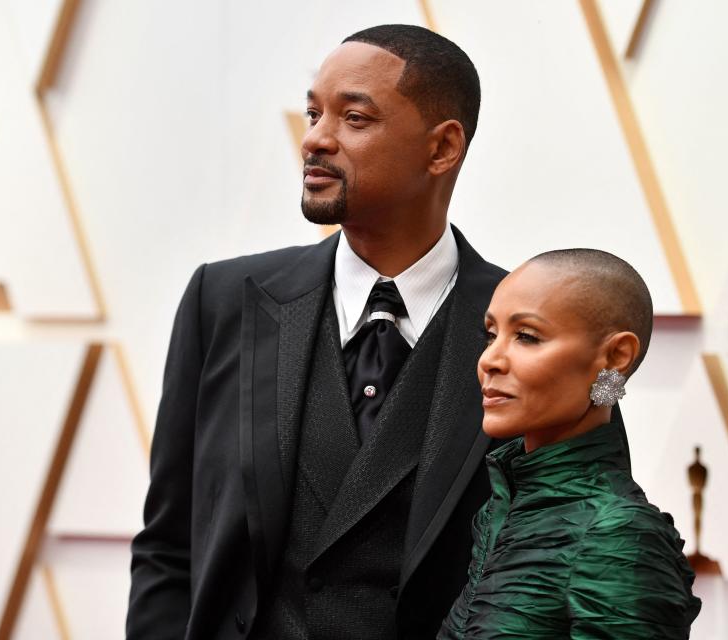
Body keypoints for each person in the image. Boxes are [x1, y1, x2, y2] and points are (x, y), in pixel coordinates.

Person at [126, 25, 629, 639]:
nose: (315, 138)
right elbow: (168, 545)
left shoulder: (540, 330)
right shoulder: (224, 300)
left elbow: (578, 539)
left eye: (354, 118)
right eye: (313, 113)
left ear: (442, 148)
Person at [440, 249, 701, 639]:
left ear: (616, 357)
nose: (490, 360)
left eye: (527, 337)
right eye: (491, 335)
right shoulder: (502, 509)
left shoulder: (618, 533)